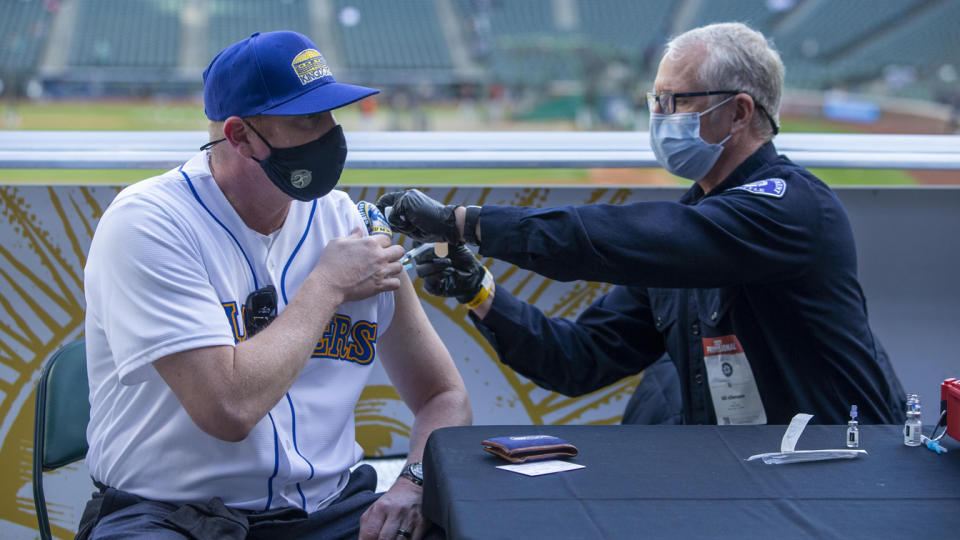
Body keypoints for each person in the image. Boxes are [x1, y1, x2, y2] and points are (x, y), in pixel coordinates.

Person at [378, 22, 905, 427]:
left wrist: (464, 222)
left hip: (844, 467)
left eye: (675, 101)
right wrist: (481, 293)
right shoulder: (690, 221)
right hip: (743, 473)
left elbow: (617, 239)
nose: (659, 116)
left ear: (741, 111)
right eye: (655, 100)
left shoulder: (789, 208)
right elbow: (578, 360)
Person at [81, 31, 471, 540]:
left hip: (332, 509)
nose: (328, 135)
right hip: (170, 516)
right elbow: (228, 409)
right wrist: (327, 285)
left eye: (332, 116)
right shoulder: (149, 224)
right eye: (306, 119)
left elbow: (444, 394)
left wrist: (413, 484)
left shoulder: (348, 225)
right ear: (240, 135)